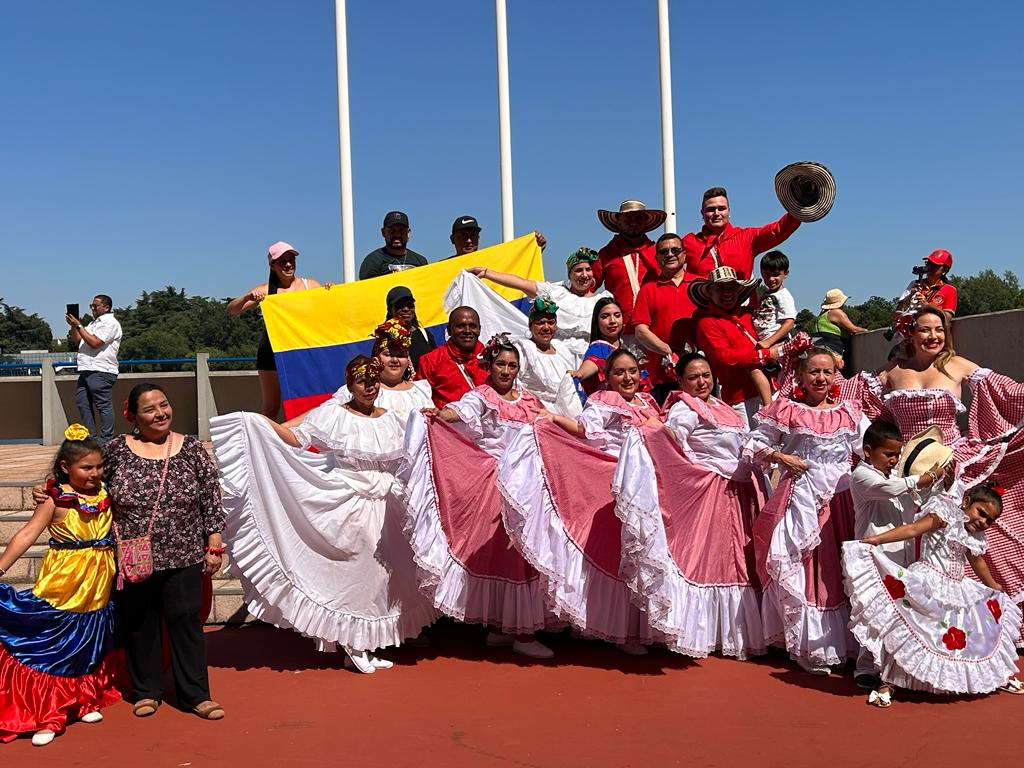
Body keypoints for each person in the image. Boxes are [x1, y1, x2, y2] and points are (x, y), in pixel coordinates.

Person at [211, 356, 437, 674]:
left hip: (388, 504)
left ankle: (363, 643)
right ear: (350, 384)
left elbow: (415, 449)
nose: (370, 386)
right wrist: (260, 424)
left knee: (383, 577)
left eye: (374, 380)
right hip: (351, 503)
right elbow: (298, 437)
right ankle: (353, 643)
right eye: (362, 381)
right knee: (358, 575)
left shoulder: (390, 418)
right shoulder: (334, 413)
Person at [867, 305, 1024, 643]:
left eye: (939, 329)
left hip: (952, 469)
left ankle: (965, 633)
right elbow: (853, 398)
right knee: (910, 549)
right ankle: (910, 635)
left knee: (954, 551)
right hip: (907, 474)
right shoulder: (894, 370)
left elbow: (1009, 393)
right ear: (910, 333)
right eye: (925, 329)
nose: (933, 336)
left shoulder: (958, 365)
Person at [401, 335, 553, 659]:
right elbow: (461, 410)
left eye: (512, 365)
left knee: (521, 553)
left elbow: (547, 426)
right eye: (501, 364)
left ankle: (504, 628)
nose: (506, 370)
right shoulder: (482, 395)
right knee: (508, 555)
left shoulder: (528, 399)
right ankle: (518, 632)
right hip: (496, 485)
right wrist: (442, 414)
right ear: (490, 366)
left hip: (526, 485)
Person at [499, 349, 658, 654]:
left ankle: (627, 628)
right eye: (619, 372)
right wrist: (554, 418)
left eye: (633, 371)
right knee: (611, 553)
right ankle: (611, 628)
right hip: (611, 481)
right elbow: (585, 431)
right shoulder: (603, 400)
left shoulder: (648, 403)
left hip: (645, 487)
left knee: (636, 552)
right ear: (608, 377)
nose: (627, 378)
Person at [613, 353, 767, 659]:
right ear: (681, 381)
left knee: (733, 564)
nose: (702, 382)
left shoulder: (722, 407)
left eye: (706, 375)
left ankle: (728, 633)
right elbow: (673, 444)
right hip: (708, 494)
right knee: (705, 563)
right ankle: (698, 632)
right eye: (694, 377)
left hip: (736, 494)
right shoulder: (685, 407)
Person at [842, 483, 1023, 707]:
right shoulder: (943, 515)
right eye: (981, 513)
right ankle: (888, 682)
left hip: (958, 588)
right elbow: (913, 529)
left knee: (973, 630)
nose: (983, 522)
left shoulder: (974, 537)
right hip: (928, 583)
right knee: (912, 630)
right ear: (966, 501)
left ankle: (991, 677)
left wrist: (993, 585)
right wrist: (877, 540)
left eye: (990, 520)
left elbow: (977, 562)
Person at [105, 383, 225, 719]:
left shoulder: (191, 449)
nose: (160, 414)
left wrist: (213, 543)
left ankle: (196, 695)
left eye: (164, 405)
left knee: (185, 622)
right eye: (150, 409)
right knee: (140, 623)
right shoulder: (115, 449)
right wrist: (50, 490)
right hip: (132, 555)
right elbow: (87, 482)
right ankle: (147, 691)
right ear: (133, 415)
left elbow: (210, 497)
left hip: (184, 553)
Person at [0, 426, 120, 746]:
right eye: (86, 467)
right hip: (64, 582)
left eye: (98, 466)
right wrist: (1, 567)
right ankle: (49, 713)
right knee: (55, 648)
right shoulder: (55, 499)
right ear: (66, 468)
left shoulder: (106, 492)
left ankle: (83, 700)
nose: (94, 473)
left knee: (87, 643)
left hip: (98, 584)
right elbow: (27, 534)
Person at [746, 347, 859, 675]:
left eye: (827, 372)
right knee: (806, 566)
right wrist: (783, 458)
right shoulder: (786, 409)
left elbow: (868, 447)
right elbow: (755, 443)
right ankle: (808, 644)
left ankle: (844, 641)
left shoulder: (849, 412)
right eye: (814, 372)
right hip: (801, 497)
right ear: (800, 375)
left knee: (836, 569)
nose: (821, 378)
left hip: (842, 498)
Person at [848, 420, 947, 689]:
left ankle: (894, 668)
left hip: (901, 555)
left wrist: (933, 481)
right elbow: (892, 489)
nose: (893, 460)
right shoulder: (861, 475)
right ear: (868, 451)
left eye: (896, 454)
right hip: (873, 555)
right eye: (888, 454)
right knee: (871, 611)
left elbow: (913, 497)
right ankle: (865, 667)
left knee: (899, 612)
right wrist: (924, 478)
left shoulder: (897, 477)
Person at [226, 241, 326, 420]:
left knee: (306, 401)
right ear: (272, 266)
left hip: (301, 350)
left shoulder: (311, 285)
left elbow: (330, 309)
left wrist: (330, 291)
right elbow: (232, 310)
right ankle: (266, 445)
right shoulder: (265, 290)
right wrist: (248, 297)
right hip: (270, 352)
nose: (288, 264)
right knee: (271, 407)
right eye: (282, 261)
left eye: (291, 260)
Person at [469, 248, 612, 363]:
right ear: (569, 275)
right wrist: (487, 273)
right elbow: (521, 283)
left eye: (588, 269)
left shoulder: (603, 300)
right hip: (559, 361)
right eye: (578, 270)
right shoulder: (556, 292)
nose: (584, 274)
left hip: (592, 362)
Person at [284, 319, 432, 428]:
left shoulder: (421, 390)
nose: (394, 360)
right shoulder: (360, 390)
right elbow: (320, 414)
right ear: (376, 357)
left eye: (400, 355)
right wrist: (280, 428)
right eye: (387, 354)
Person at [691, 266, 778, 424]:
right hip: (740, 399)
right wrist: (766, 355)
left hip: (772, 388)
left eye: (732, 287)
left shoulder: (749, 314)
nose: (727, 293)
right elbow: (726, 357)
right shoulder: (707, 323)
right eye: (720, 288)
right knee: (749, 444)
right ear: (710, 292)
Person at [682, 186, 800, 279]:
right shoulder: (689, 242)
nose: (716, 213)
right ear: (702, 213)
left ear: (729, 211)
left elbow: (778, 230)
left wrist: (800, 205)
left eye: (721, 208)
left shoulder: (747, 237)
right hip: (702, 309)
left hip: (742, 308)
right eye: (710, 209)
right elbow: (666, 268)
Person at [632, 233, 694, 404]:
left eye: (675, 250)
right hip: (660, 376)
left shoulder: (699, 286)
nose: (670, 254)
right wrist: (669, 352)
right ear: (657, 257)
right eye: (663, 251)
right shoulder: (648, 289)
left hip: (697, 375)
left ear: (684, 254)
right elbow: (641, 331)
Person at [593, 200, 665, 333]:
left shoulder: (659, 252)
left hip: (656, 328)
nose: (633, 222)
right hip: (620, 331)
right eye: (628, 218)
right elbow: (587, 288)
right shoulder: (606, 254)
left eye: (638, 218)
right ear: (618, 222)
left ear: (646, 222)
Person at [67, 294, 122, 443]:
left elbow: (95, 342)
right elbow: (79, 340)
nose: (92, 308)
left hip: (101, 369)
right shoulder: (93, 324)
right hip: (87, 369)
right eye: (91, 306)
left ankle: (106, 439)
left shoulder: (110, 323)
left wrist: (79, 325)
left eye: (95, 306)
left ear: (106, 307)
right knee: (82, 402)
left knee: (103, 404)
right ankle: (91, 437)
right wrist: (74, 326)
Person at [570, 297, 651, 398]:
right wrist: (579, 373)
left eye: (617, 315)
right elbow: (592, 363)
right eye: (605, 316)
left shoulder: (625, 349)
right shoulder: (599, 347)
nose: (612, 321)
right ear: (597, 322)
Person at [416, 306, 488, 408]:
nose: (467, 331)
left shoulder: (492, 358)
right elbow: (421, 401)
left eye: (472, 326)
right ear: (449, 330)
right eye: (461, 326)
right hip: (447, 422)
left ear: (479, 330)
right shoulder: (431, 361)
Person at [359, 211, 428, 279]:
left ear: (408, 233)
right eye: (392, 231)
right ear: (383, 232)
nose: (397, 234)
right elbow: (367, 288)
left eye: (401, 231)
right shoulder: (372, 261)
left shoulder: (421, 262)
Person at [751, 251, 797, 350]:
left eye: (776, 275)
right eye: (767, 274)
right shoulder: (766, 294)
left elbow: (789, 322)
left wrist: (769, 342)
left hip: (777, 342)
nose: (771, 279)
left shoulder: (783, 296)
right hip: (763, 342)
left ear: (786, 274)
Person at [894, 248, 958, 318]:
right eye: (928, 263)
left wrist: (927, 306)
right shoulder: (914, 284)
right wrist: (909, 296)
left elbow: (947, 318)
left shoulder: (949, 290)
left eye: (935, 265)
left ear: (945, 270)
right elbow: (897, 313)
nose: (930, 267)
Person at [810, 288, 866, 368]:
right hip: (832, 351)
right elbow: (853, 329)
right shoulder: (836, 312)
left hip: (818, 350)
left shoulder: (822, 315)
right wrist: (866, 330)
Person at [385, 286, 437, 370]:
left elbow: (437, 365)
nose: (406, 309)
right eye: (400, 305)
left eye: (410, 305)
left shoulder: (425, 335)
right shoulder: (385, 338)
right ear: (390, 310)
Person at [447, 215, 547, 259]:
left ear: (478, 238)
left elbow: (518, 266)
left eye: (473, 235)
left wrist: (535, 249)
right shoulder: (440, 269)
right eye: (463, 236)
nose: (469, 240)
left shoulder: (491, 262)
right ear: (452, 239)